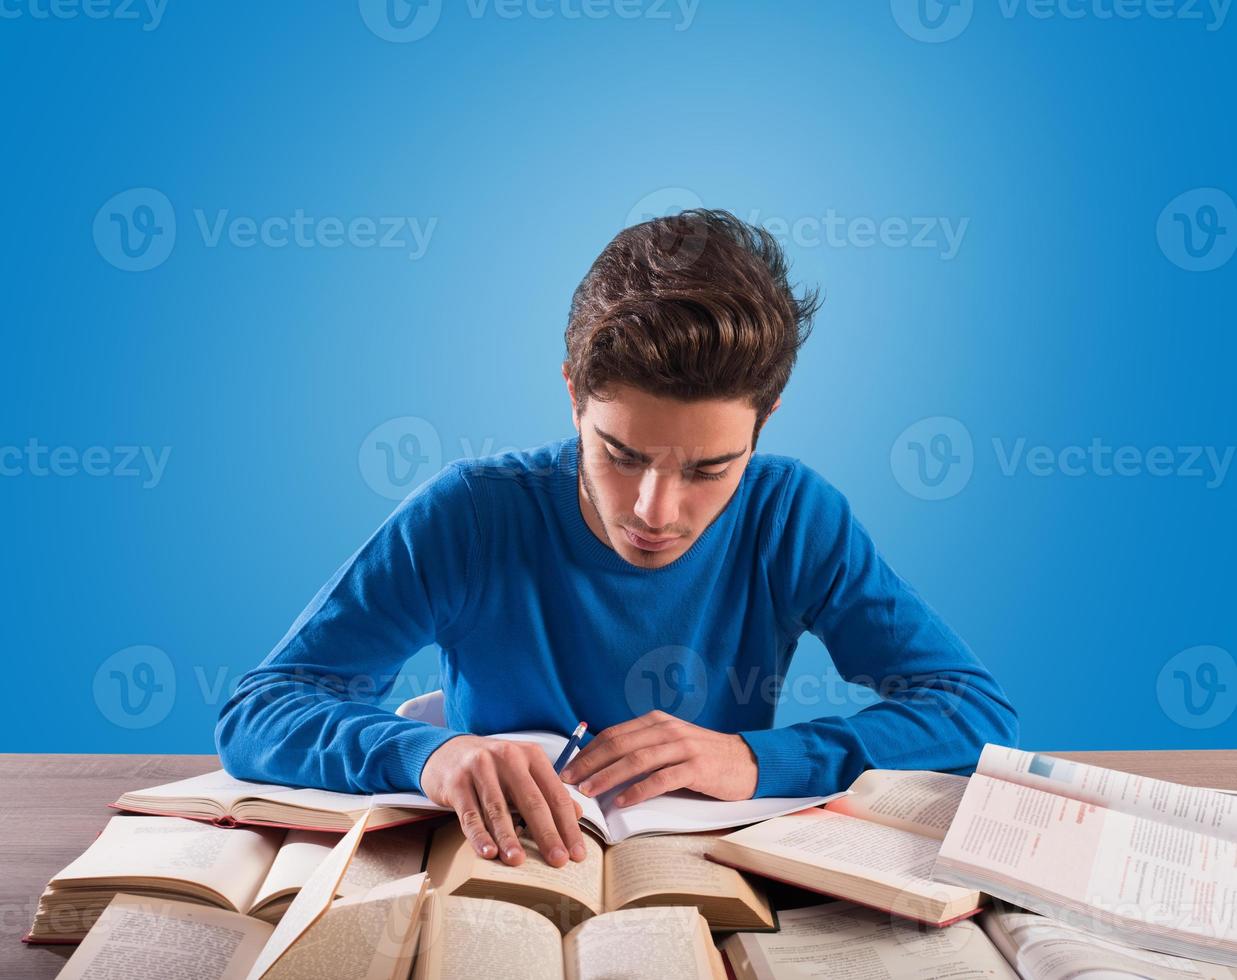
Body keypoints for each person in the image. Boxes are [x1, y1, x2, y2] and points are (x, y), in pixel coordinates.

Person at [216, 209, 1018, 874]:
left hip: (705, 881)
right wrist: (428, 757)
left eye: (709, 467)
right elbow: (260, 709)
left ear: (763, 424)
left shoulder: (792, 515)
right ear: (573, 394)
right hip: (483, 871)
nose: (653, 511)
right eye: (620, 454)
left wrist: (755, 760)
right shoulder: (469, 514)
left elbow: (972, 713)